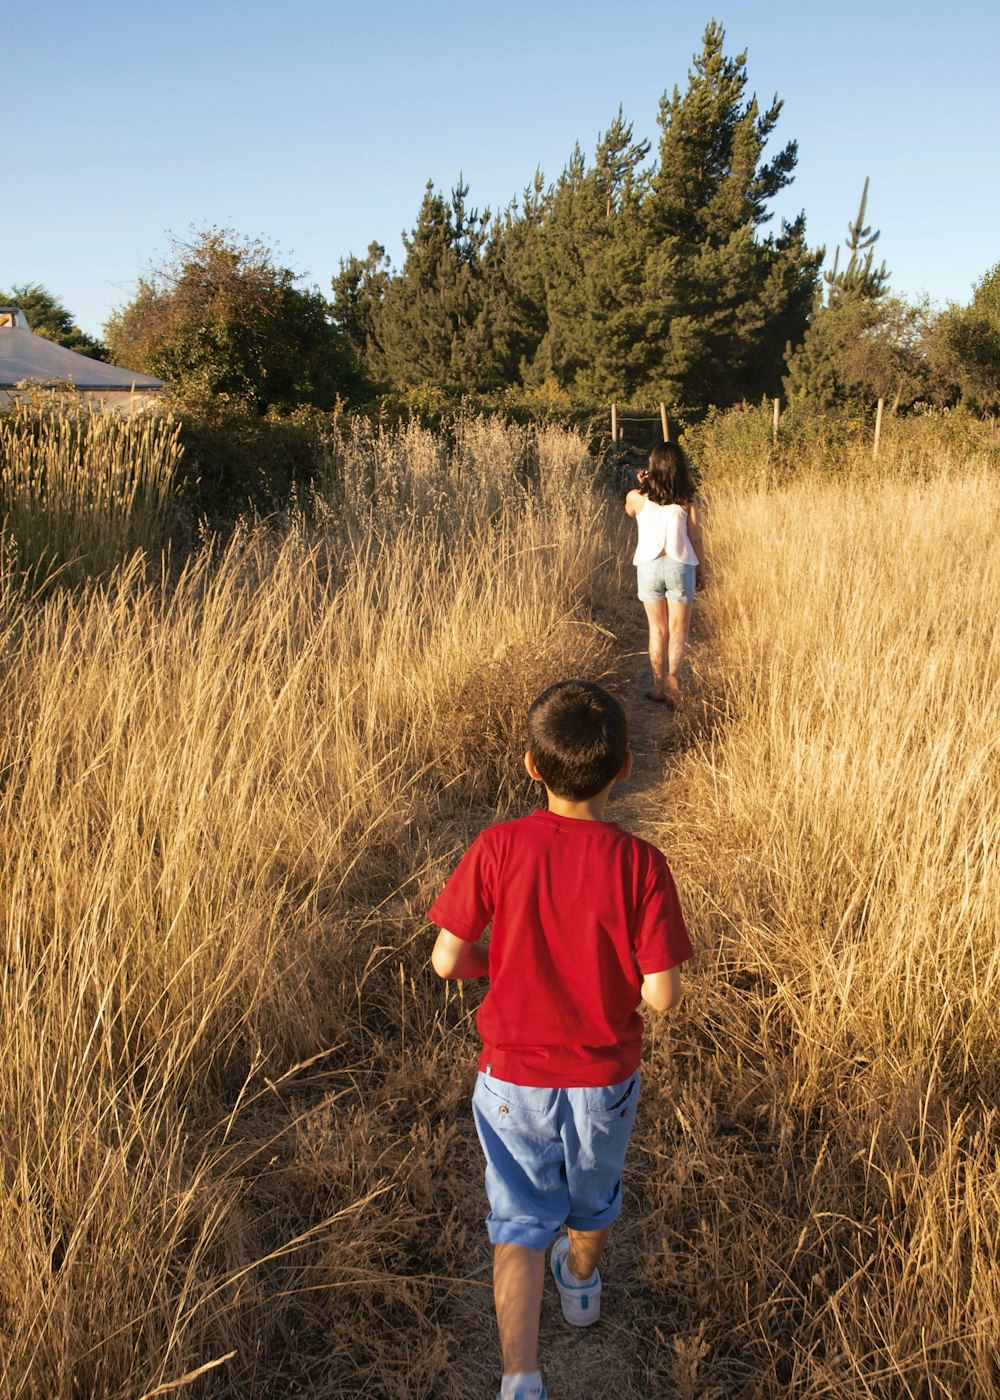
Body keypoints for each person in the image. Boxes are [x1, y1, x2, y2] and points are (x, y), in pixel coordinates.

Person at [428, 680, 693, 1400]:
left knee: (518, 1219)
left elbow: (447, 959)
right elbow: (662, 994)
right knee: (593, 1192)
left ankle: (520, 1377)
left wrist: (500, 963)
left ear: (531, 767)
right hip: (605, 1076)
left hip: (512, 1078)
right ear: (625, 768)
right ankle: (580, 1283)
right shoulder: (641, 865)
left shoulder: (497, 847)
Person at [625, 440, 705, 707]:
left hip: (648, 566)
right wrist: (701, 571)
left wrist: (642, 483)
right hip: (679, 565)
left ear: (652, 466)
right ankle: (673, 677)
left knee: (657, 630)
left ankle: (659, 687)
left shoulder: (636, 496)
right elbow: (696, 539)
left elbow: (630, 510)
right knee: (679, 629)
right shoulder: (687, 500)